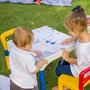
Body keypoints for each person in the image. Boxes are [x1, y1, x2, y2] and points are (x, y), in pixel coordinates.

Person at [52, 5, 90, 90]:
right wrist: (72, 38)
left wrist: (67, 58)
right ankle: (65, 83)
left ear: (76, 30)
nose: (68, 32)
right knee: (60, 62)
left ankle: (65, 86)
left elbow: (78, 62)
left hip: (81, 72)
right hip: (86, 66)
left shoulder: (82, 50)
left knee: (58, 69)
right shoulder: (86, 35)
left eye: (69, 30)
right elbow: (79, 35)